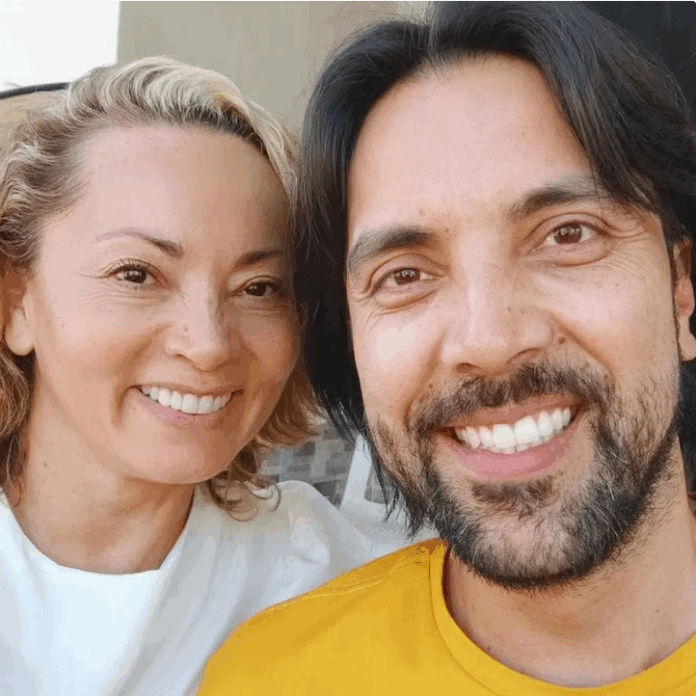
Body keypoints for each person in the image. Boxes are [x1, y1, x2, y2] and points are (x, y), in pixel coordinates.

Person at [198, 2, 696, 693]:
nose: (489, 341)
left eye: (568, 234)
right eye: (404, 275)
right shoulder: (272, 680)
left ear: (681, 289)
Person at [0, 57, 373, 696]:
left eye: (259, 287)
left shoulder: (325, 582)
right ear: (15, 305)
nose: (208, 346)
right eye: (137, 274)